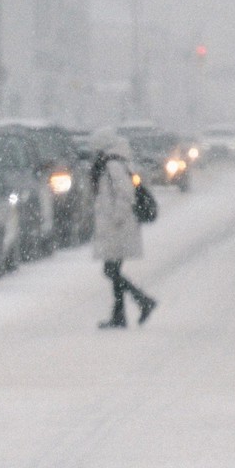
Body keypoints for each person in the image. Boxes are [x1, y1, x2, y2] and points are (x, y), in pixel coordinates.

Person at [89, 128, 157, 329]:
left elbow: (125, 194)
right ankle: (124, 312)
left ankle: (141, 302)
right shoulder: (116, 163)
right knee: (113, 271)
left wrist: (116, 218)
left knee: (111, 270)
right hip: (117, 226)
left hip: (118, 227)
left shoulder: (112, 165)